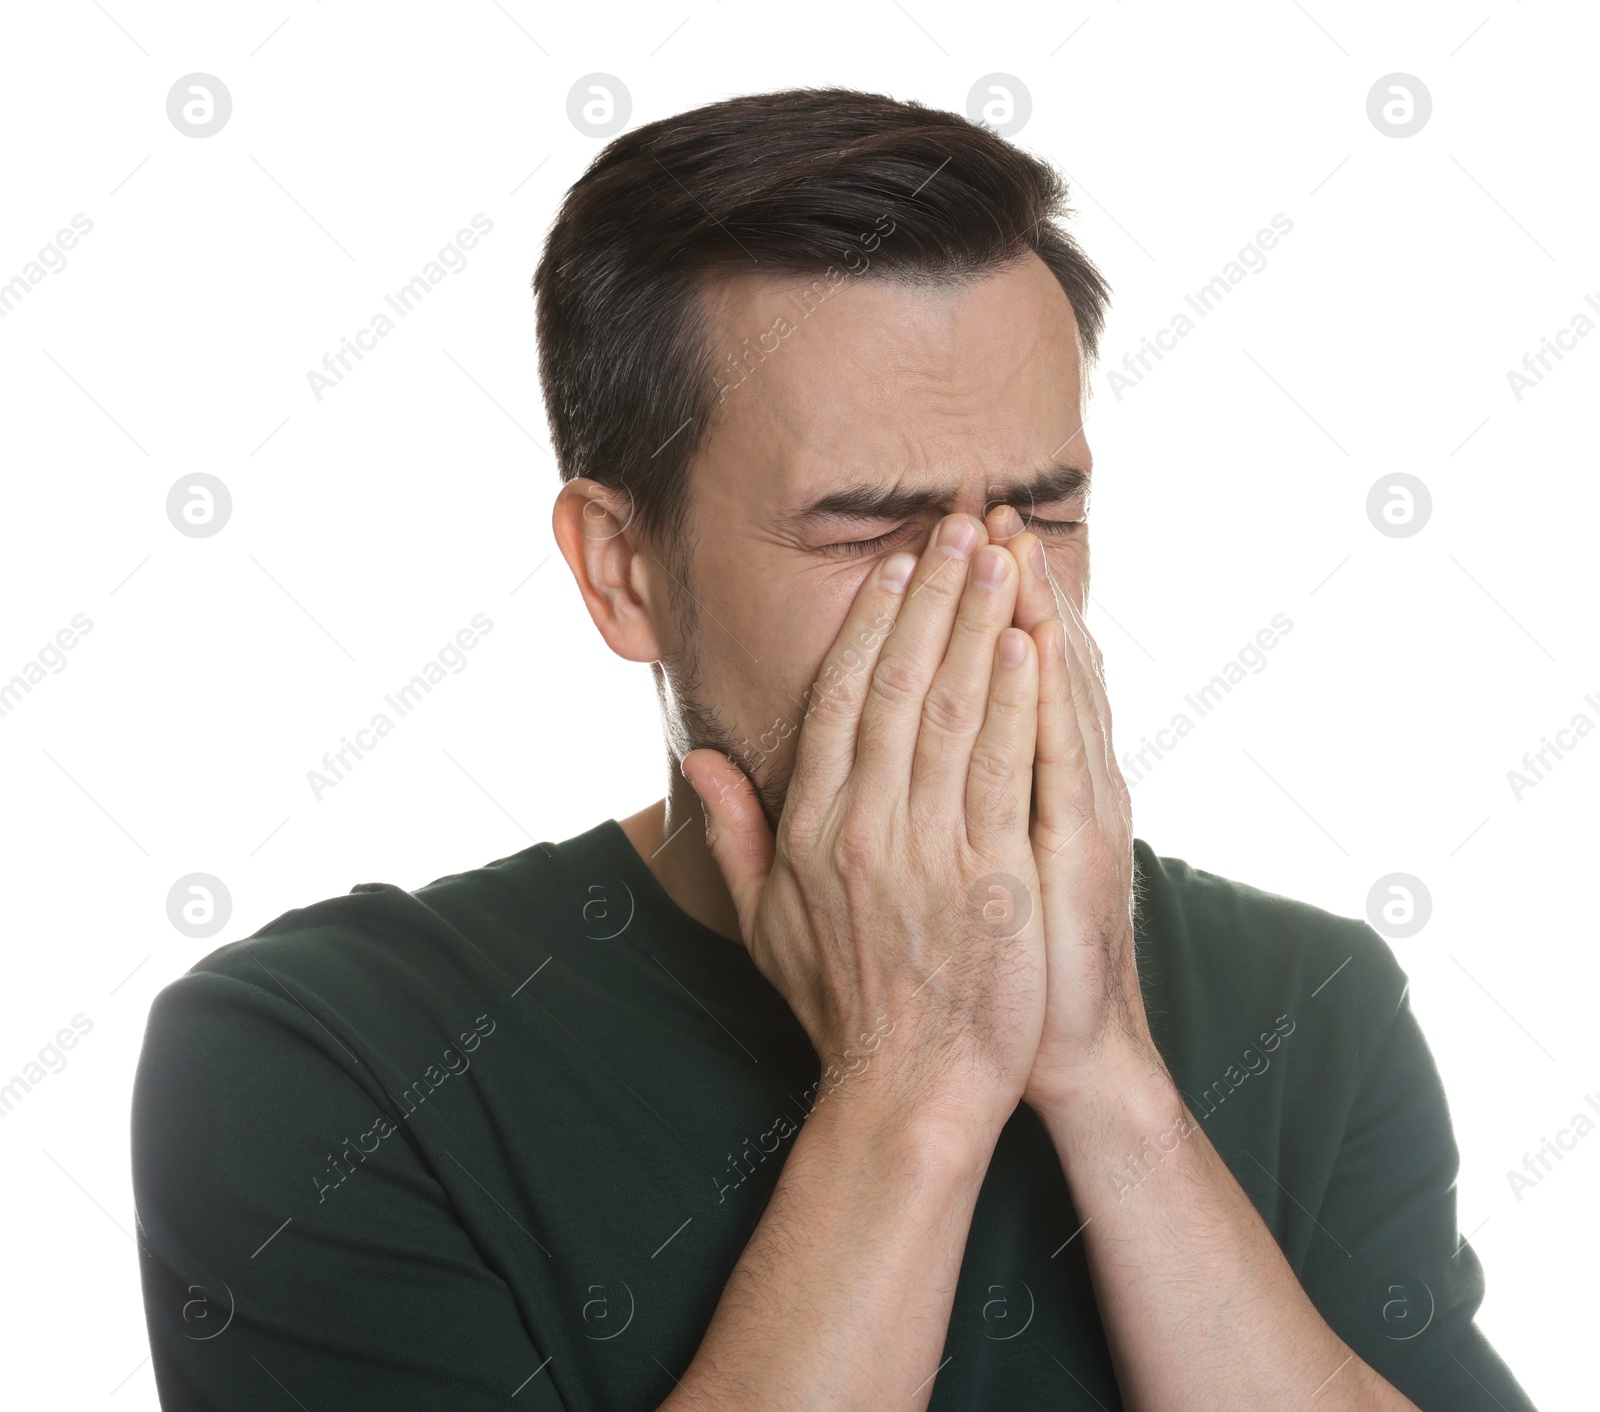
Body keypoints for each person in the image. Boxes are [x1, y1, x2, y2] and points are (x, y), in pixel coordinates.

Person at [131, 88, 1538, 1410]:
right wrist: (913, 1086)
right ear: (622, 571)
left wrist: (1106, 1073)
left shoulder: (1313, 1003)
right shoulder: (327, 1061)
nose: (988, 602)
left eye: (1042, 515)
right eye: (868, 531)